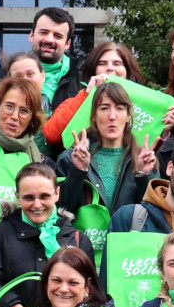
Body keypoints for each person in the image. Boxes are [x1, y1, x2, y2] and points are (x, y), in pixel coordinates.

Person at [0, 163, 92, 307]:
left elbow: (91, 291)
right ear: (17, 197)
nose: (37, 205)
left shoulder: (78, 239)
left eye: (44, 196)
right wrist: (9, 304)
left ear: (57, 194)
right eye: (29, 197)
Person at [56, 81, 158, 215]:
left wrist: (143, 175)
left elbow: (154, 214)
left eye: (119, 108)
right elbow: (61, 211)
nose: (112, 116)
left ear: (128, 116)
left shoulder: (144, 160)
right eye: (104, 108)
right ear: (94, 116)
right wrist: (78, 171)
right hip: (82, 236)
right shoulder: (70, 158)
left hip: (126, 235)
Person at [43, 41, 147, 147]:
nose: (110, 68)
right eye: (102, 63)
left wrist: (165, 132)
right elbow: (51, 134)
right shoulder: (76, 100)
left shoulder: (146, 104)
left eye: (117, 63)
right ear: (93, 71)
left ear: (127, 71)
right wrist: (86, 95)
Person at [0, 7, 81, 107]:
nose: (49, 40)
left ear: (67, 43)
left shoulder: (83, 77)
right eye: (44, 32)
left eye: (57, 36)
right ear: (31, 36)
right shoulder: (5, 76)